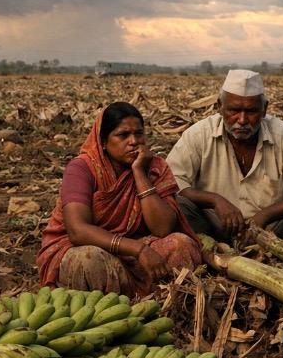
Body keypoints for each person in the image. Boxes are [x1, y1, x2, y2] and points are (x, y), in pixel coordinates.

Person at [37, 102, 201, 297]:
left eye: (139, 134)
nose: (133, 141)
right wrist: (138, 249)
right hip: (89, 247)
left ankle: (157, 302)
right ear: (103, 142)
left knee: (181, 245)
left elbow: (163, 228)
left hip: (135, 248)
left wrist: (139, 173)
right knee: (88, 259)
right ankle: (108, 311)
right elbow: (77, 230)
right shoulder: (82, 169)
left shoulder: (155, 167)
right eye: (123, 135)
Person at [167, 69, 283, 244]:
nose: (242, 120)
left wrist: (264, 217)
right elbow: (171, 181)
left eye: (251, 111)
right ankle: (208, 251)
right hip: (213, 225)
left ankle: (281, 251)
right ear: (220, 106)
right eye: (234, 110)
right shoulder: (198, 135)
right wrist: (215, 201)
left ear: (264, 109)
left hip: (272, 229)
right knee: (175, 206)